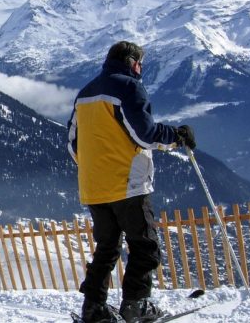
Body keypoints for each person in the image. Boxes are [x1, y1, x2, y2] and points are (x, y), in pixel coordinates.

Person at [67, 41, 196, 323]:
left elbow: (73, 144)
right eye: (140, 63)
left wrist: (95, 168)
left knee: (107, 248)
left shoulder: (85, 94)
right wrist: (176, 136)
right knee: (145, 246)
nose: (141, 69)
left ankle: (93, 309)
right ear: (131, 62)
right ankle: (136, 305)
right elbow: (145, 134)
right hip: (128, 183)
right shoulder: (128, 87)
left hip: (93, 187)